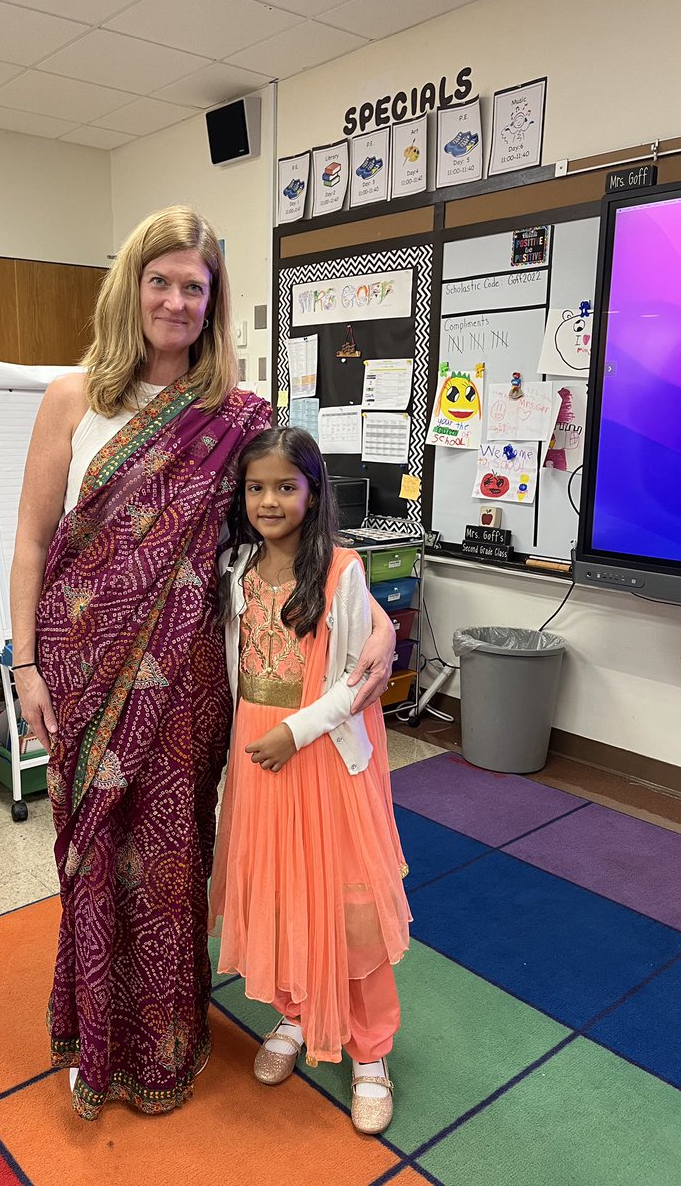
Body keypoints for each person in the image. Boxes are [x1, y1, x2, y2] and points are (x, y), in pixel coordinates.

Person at [10, 205, 397, 1121]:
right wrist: (22, 664)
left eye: (195, 285)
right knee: (94, 858)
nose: (177, 300)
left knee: (175, 864)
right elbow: (31, 545)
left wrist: (370, 611)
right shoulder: (74, 400)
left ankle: (168, 1044)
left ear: (214, 300)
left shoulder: (238, 415)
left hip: (187, 682)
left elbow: (295, 532)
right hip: (80, 669)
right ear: (131, 287)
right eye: (161, 280)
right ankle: (95, 1041)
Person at [210, 427, 411, 1136]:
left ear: (312, 492)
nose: (269, 500)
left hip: (318, 757)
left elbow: (358, 682)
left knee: (346, 906)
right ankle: (294, 1015)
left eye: (285, 487)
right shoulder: (236, 568)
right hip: (257, 756)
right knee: (280, 895)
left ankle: (370, 1053)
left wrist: (293, 732)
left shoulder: (342, 572)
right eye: (256, 487)